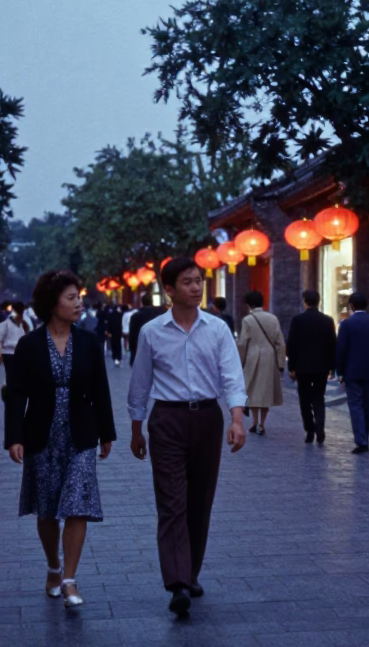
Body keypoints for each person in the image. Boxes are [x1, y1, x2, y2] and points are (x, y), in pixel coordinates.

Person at [127, 258, 247, 617]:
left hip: (208, 418)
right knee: (171, 502)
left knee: (200, 501)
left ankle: (191, 572)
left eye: (199, 281)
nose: (196, 288)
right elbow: (140, 382)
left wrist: (236, 418)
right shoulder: (152, 332)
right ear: (169, 290)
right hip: (166, 420)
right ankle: (177, 582)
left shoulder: (218, 328)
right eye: (188, 282)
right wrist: (137, 427)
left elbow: (232, 375)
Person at [5, 271, 115, 609]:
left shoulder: (88, 343)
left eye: (79, 296)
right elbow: (15, 394)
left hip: (81, 434)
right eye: (71, 297)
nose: (79, 302)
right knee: (48, 510)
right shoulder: (29, 345)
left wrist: (107, 433)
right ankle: (53, 566)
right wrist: (14, 437)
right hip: (42, 433)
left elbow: (101, 389)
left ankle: (69, 578)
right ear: (53, 304)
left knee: (78, 504)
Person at [334, 292, 369, 454]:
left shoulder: (347, 324)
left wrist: (340, 371)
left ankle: (361, 440)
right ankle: (365, 436)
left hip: (352, 371)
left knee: (355, 405)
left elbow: (341, 350)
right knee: (367, 405)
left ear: (351, 306)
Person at [286, 289, 336, 444]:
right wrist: (332, 367)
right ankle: (320, 427)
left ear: (304, 301)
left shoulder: (298, 320)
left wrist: (291, 366)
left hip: (302, 367)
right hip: (321, 366)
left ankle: (310, 430)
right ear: (318, 301)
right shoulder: (327, 320)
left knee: (304, 399)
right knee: (319, 398)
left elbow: (292, 344)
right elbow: (332, 345)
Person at [237, 290, 285, 436]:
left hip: (253, 356)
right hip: (270, 357)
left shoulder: (248, 320)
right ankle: (262, 424)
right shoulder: (273, 318)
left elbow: (243, 343)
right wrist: (281, 362)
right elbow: (280, 343)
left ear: (248, 304)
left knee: (252, 389)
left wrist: (240, 362)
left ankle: (254, 422)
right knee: (266, 391)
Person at [0, 301, 32, 385]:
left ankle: (13, 393)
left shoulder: (7, 323)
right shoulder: (27, 322)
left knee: (12, 377)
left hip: (12, 354)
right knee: (17, 377)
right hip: (15, 354)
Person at [129, 297, 166, 367]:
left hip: (140, 345)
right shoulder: (159, 315)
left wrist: (132, 351)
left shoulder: (135, 316)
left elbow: (132, 335)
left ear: (142, 302)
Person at [101, 302, 124, 367]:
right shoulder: (120, 315)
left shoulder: (110, 315)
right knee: (118, 344)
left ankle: (115, 357)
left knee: (113, 344)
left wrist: (108, 331)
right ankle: (119, 357)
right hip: (118, 331)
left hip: (112, 332)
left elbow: (109, 324)